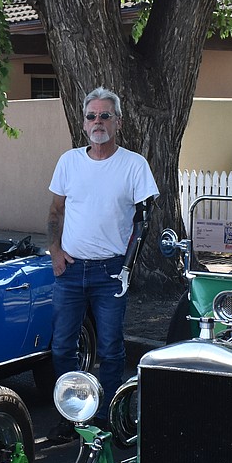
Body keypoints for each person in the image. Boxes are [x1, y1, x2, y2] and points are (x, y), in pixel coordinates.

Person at [46, 86, 159, 439]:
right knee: (63, 346)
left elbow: (143, 222)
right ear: (83, 123)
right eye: (91, 116)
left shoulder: (134, 165)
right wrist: (54, 251)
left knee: (111, 349)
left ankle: (110, 416)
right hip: (71, 270)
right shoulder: (69, 162)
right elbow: (55, 210)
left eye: (105, 116)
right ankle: (70, 413)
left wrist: (128, 265)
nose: (98, 122)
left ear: (118, 122)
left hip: (111, 272)